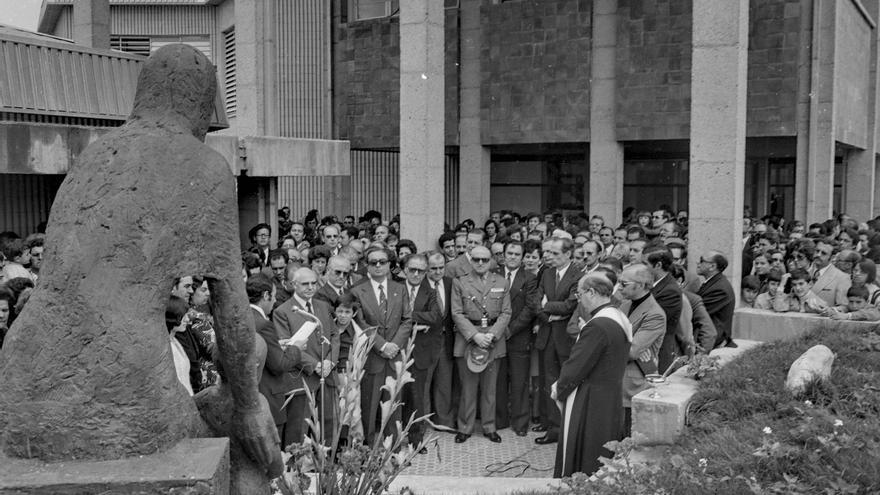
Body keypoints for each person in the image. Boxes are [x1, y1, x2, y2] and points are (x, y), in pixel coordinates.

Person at [552, 272, 631, 478]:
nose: (580, 300)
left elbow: (576, 367)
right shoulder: (619, 317)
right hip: (610, 394)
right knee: (602, 448)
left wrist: (559, 389)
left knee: (585, 453)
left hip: (590, 398)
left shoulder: (597, 325)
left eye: (579, 295)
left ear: (592, 292)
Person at [349, 245, 413, 441]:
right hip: (372, 357)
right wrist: (383, 345)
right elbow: (360, 322)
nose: (378, 266)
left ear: (389, 265)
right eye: (373, 263)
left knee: (393, 405)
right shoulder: (357, 290)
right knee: (369, 407)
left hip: (394, 358)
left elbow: (407, 320)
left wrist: (394, 345)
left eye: (382, 262)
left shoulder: (400, 289)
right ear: (366, 266)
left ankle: (392, 449)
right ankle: (366, 450)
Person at [450, 246, 511, 444]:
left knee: (490, 388)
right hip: (469, 338)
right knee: (468, 388)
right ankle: (465, 428)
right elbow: (457, 313)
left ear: (491, 261)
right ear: (471, 260)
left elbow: (506, 312)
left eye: (485, 260)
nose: (480, 263)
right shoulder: (460, 281)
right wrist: (475, 335)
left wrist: (492, 335)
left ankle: (489, 427)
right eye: (476, 259)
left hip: (493, 339)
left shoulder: (502, 281)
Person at [272, 267, 338, 447]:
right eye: (305, 284)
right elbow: (287, 344)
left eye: (313, 283)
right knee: (299, 425)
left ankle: (323, 464)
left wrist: (330, 360)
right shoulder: (283, 311)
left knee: (328, 420)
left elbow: (334, 335)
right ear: (293, 285)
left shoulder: (322, 306)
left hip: (327, 372)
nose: (310, 287)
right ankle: (296, 466)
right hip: (301, 375)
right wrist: (315, 365)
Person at [247, 274, 306, 438]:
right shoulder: (263, 324)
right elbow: (279, 364)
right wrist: (296, 347)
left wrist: (277, 346)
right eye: (272, 296)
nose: (274, 301)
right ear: (265, 295)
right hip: (267, 397)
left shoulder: (244, 317)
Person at [534, 237, 580, 445]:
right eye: (549, 252)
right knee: (547, 381)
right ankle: (552, 425)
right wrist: (550, 314)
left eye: (555, 253)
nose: (549, 256)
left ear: (568, 254)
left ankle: (564, 428)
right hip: (547, 334)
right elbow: (536, 302)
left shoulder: (578, 275)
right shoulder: (547, 273)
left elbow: (570, 305)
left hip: (565, 339)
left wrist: (548, 306)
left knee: (564, 383)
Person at [494, 240, 539, 436]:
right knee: (498, 380)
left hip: (518, 336)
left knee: (520, 382)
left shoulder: (530, 278)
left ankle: (520, 423)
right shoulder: (493, 275)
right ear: (503, 254)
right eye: (509, 253)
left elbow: (530, 308)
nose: (512, 257)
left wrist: (510, 329)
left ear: (522, 257)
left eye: (517, 254)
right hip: (496, 336)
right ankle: (500, 420)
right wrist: (497, 330)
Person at [616, 265, 665, 436]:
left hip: (633, 385)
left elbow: (631, 352)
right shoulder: (624, 305)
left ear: (642, 284)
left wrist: (613, 342)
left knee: (627, 438)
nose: (619, 287)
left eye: (624, 283)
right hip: (617, 379)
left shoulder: (654, 314)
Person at [400, 253, 441, 451]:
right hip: (397, 350)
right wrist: (416, 322)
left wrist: (406, 317)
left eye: (421, 271)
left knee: (417, 398)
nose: (416, 274)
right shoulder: (395, 289)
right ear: (405, 270)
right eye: (412, 270)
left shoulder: (430, 292)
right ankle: (395, 439)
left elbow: (435, 316)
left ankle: (416, 440)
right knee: (397, 397)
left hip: (420, 353)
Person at [425, 251, 457, 430]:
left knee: (444, 382)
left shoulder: (450, 283)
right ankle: (423, 423)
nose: (438, 272)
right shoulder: (420, 285)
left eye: (441, 268)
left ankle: (443, 421)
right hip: (426, 341)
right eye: (433, 269)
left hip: (446, 341)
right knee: (425, 383)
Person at [697, 251, 737, 348]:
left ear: (712, 267)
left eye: (701, 261)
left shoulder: (720, 289)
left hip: (712, 340)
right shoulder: (714, 283)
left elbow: (697, 312)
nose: (698, 264)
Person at [810, 239, 851, 307]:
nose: (818, 255)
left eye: (823, 253)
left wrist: (828, 311)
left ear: (832, 257)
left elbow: (843, 306)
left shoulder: (842, 278)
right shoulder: (805, 272)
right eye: (817, 251)